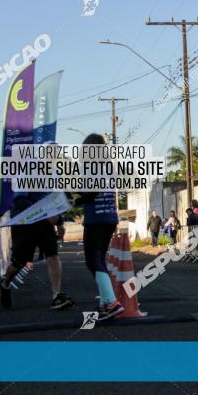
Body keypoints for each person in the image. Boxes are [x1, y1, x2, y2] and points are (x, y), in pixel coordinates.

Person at [72, 133, 124, 320]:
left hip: (96, 219)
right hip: (110, 218)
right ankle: (105, 301)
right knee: (99, 261)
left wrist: (75, 201)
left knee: (92, 261)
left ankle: (111, 303)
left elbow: (91, 192)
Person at [0, 193, 75, 311]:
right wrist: (42, 212)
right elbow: (20, 200)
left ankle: (56, 296)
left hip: (44, 221)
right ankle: (5, 283)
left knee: (52, 255)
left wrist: (59, 221)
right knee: (19, 263)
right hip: (23, 220)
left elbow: (58, 197)